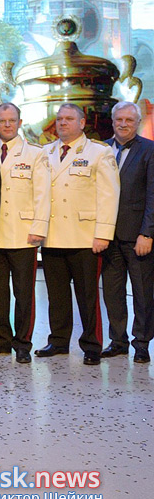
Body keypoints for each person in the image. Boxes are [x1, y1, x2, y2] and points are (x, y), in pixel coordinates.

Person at [36, 103, 120, 366]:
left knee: (87, 296)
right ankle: (58, 340)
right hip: (53, 236)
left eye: (69, 119)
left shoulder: (98, 152)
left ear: (82, 123)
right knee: (56, 295)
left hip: (85, 237)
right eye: (59, 119)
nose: (62, 123)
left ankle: (92, 345)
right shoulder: (46, 152)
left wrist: (103, 234)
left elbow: (109, 196)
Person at [0, 103, 50, 364]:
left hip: (24, 234)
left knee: (24, 293)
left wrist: (39, 228)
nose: (7, 125)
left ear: (20, 122)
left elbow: (43, 194)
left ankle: (22, 342)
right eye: (2, 121)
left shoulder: (35, 154)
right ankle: (0, 339)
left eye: (12, 120)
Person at [102, 101, 154, 363]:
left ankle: (142, 342)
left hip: (137, 237)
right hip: (107, 236)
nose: (123, 124)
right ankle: (118, 341)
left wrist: (148, 233)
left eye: (129, 120)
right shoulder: (102, 149)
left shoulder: (150, 150)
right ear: (112, 122)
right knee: (112, 291)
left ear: (137, 123)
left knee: (143, 292)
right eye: (119, 120)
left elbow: (153, 196)